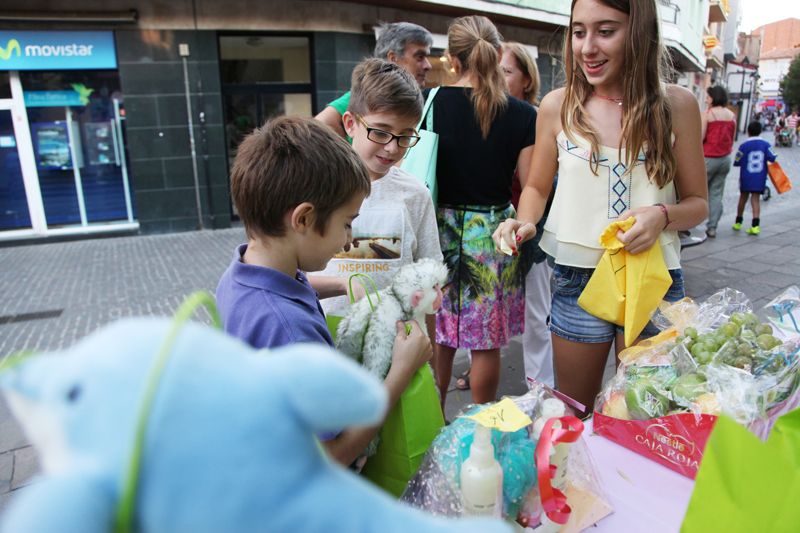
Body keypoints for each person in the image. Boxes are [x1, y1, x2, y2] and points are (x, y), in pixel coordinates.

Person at [493, 0, 708, 411]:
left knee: (648, 417)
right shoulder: (558, 105)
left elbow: (698, 205)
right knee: (576, 412)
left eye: (605, 31)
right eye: (578, 32)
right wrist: (524, 222)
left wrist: (662, 215)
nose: (587, 47)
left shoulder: (677, 106)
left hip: (655, 280)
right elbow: (536, 187)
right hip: (578, 280)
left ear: (640, 32)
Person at [215, 117, 432, 466]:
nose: (349, 239)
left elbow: (285, 287)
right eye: (347, 223)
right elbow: (330, 457)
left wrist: (342, 283)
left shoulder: (242, 270)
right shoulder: (289, 330)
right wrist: (401, 371)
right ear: (303, 219)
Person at [425, 16, 537, 409]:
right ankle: (480, 426)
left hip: (438, 229)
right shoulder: (524, 115)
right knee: (485, 342)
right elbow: (529, 184)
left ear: (454, 60)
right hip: (494, 231)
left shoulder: (431, 102)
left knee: (438, 332)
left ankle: (435, 418)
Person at [310, 58, 443, 342]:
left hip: (397, 339)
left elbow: (428, 278)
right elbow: (289, 274)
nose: (393, 147)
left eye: (406, 136)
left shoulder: (416, 194)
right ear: (350, 124)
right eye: (380, 132)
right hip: (326, 337)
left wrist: (426, 350)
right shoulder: (315, 187)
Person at [315, 22, 433, 138]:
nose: (428, 65)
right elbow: (316, 131)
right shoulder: (364, 96)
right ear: (393, 58)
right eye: (419, 57)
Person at [702, 85, 736, 238]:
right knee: (716, 193)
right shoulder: (731, 116)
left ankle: (687, 225)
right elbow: (733, 138)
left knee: (698, 192)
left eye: (708, 97)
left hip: (709, 158)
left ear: (714, 97)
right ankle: (712, 227)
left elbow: (701, 137)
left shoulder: (708, 115)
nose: (706, 100)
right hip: (724, 160)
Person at [732, 121, 777, 235]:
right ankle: (755, 225)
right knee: (755, 199)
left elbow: (737, 161)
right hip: (759, 176)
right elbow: (772, 157)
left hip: (746, 176)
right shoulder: (766, 144)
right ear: (760, 131)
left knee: (743, 198)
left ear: (748, 132)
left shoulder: (743, 145)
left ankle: (738, 221)